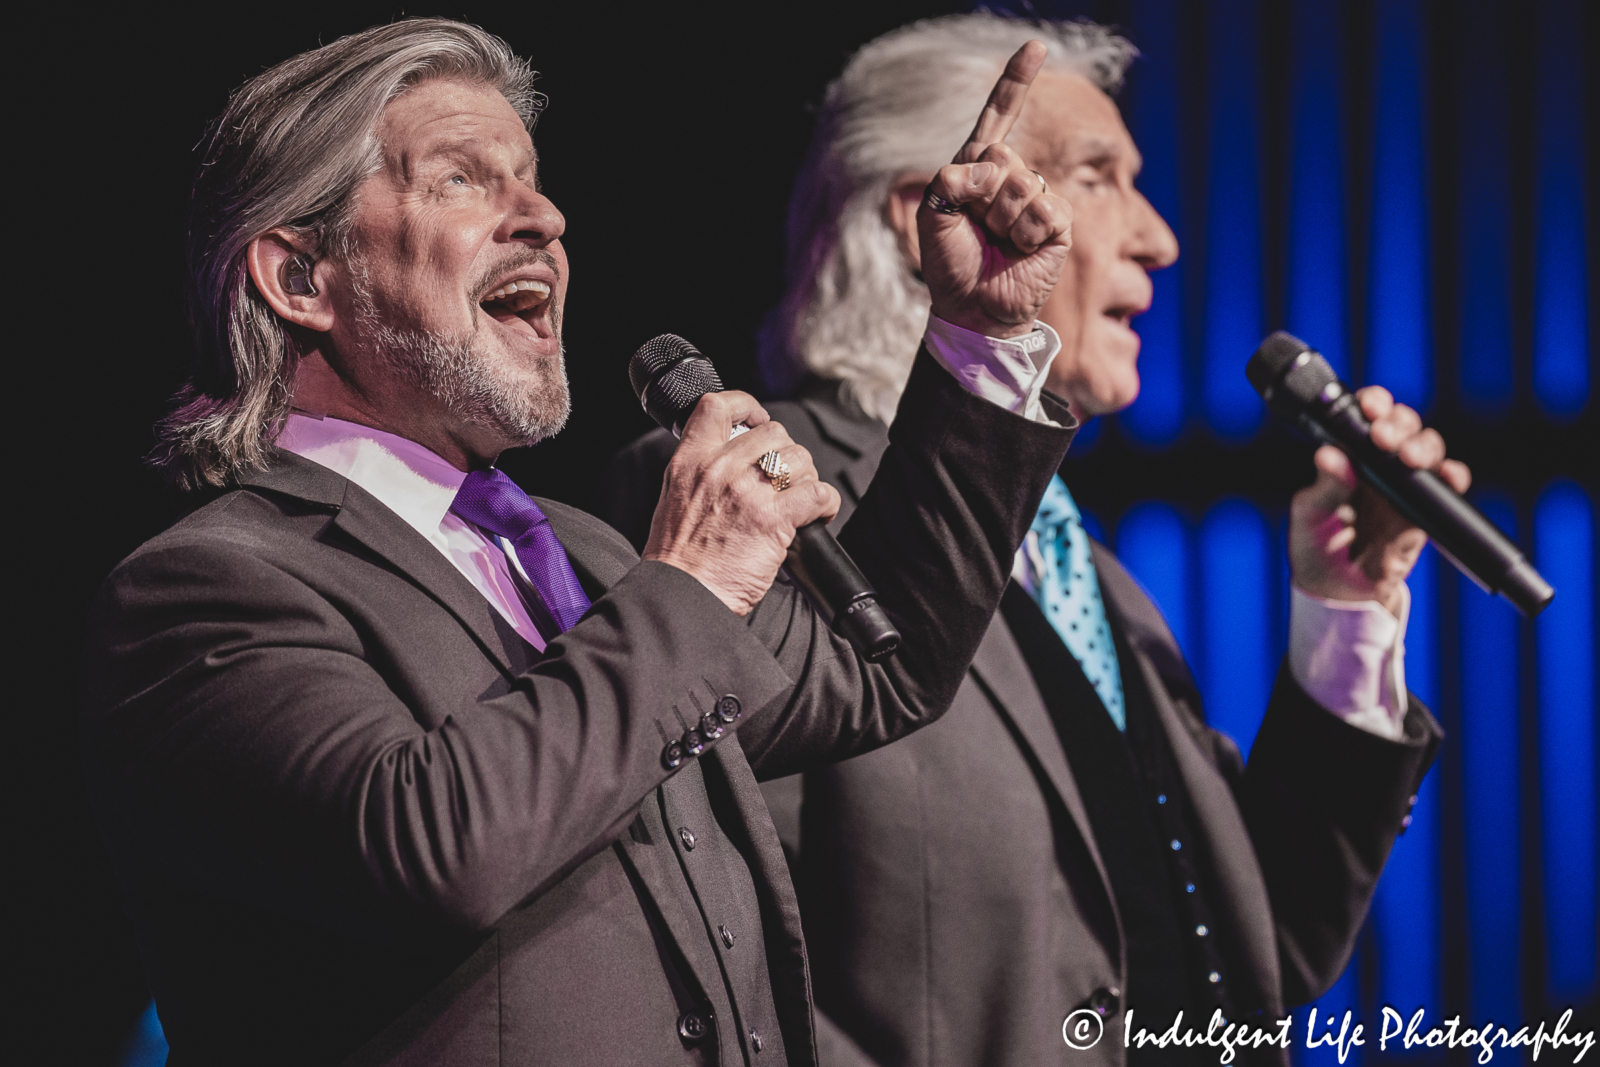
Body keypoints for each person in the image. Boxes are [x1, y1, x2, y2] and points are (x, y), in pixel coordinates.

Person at [78, 19, 1085, 1067]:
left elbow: (878, 664)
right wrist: (691, 582)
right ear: (300, 278)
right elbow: (434, 847)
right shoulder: (204, 588)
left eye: (533, 180)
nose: (546, 217)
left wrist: (980, 332)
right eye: (463, 181)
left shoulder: (584, 553)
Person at [600, 14, 1466, 1067]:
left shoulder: (1087, 569)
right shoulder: (748, 498)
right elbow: (716, 927)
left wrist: (1342, 606)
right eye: (1098, 176)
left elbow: (1250, 948)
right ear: (935, 212)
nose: (1159, 235)